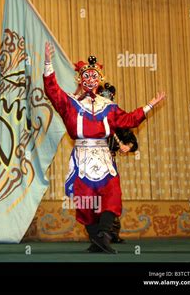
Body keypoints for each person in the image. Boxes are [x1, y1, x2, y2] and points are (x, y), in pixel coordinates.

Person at [43, 42, 165, 253]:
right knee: (85, 200)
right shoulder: (69, 102)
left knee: (112, 194)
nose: (90, 80)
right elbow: (52, 89)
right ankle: (97, 238)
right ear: (80, 80)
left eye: (94, 77)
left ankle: (103, 236)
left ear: (100, 80)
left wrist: (150, 105)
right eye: (86, 77)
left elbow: (128, 120)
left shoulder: (109, 106)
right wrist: (47, 62)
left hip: (104, 156)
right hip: (82, 155)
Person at [97, 82, 139, 246]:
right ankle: (96, 232)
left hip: (108, 161)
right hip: (90, 160)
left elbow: (133, 142)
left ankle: (112, 232)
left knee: (112, 195)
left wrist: (127, 146)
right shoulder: (90, 116)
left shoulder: (116, 118)